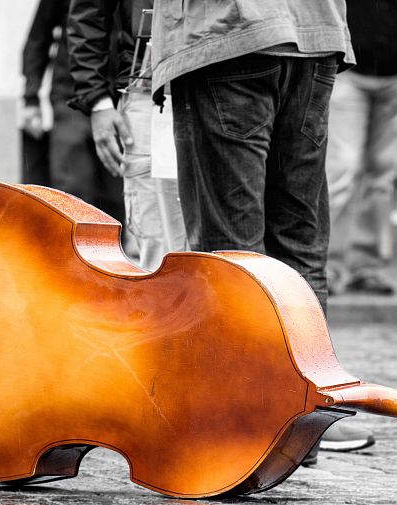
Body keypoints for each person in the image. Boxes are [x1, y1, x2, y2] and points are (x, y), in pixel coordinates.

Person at [150, 0, 375, 462]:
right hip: (314, 34)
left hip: (227, 35)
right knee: (299, 244)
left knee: (233, 252)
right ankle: (299, 428)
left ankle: (247, 432)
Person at [68, 0, 189, 271]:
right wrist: (96, 99)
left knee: (220, 241)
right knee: (156, 247)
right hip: (147, 87)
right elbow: (88, 12)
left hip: (224, 83)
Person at [325, 0, 397, 296]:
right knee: (343, 167)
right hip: (349, 73)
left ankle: (365, 265)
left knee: (382, 173)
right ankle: (328, 265)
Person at [22, 0, 124, 225]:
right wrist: (31, 97)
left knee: (116, 193)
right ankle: (68, 253)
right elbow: (38, 37)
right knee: (72, 189)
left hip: (119, 99)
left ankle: (110, 257)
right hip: (72, 96)